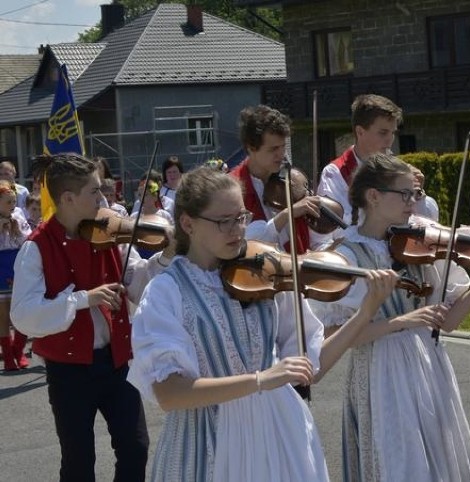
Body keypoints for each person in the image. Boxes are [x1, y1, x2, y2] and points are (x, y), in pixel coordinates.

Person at [127, 166, 397, 482]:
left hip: (279, 432)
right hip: (207, 442)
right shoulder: (165, 291)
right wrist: (260, 379)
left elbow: (312, 368)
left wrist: (365, 313)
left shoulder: (264, 274)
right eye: (222, 221)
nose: (237, 230)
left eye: (240, 218)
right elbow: (170, 394)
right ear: (188, 223)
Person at [309, 153, 470, 481]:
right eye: (405, 194)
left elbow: (451, 321)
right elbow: (336, 337)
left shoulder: (421, 241)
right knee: (398, 465)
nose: (414, 203)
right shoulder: (346, 257)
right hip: (380, 372)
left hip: (429, 366)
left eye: (415, 194)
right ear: (373, 196)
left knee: (439, 462)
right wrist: (402, 321)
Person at [10, 153, 174, 482]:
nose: (105, 199)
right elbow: (24, 317)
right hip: (68, 370)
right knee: (79, 459)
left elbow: (136, 285)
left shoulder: (109, 234)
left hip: (116, 362)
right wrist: (84, 299)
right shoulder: (37, 247)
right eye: (95, 192)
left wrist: (166, 256)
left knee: (136, 447)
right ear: (68, 198)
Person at [231, 105, 324, 254]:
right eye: (273, 149)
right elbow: (240, 241)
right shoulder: (232, 188)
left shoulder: (291, 181)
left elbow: (315, 239)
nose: (281, 155)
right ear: (251, 148)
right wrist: (286, 215)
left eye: (283, 147)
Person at [316, 94, 403, 227]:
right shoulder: (335, 173)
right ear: (360, 132)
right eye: (383, 132)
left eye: (393, 133)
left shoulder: (396, 168)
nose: (390, 140)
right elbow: (335, 228)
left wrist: (417, 196)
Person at [0, 180, 32, 371]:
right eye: (8, 202)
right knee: (3, 314)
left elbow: (28, 238)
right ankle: (8, 356)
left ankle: (18, 350)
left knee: (20, 310)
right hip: (0, 264)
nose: (12, 206)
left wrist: (15, 228)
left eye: (13, 201)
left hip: (17, 262)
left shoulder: (18, 214)